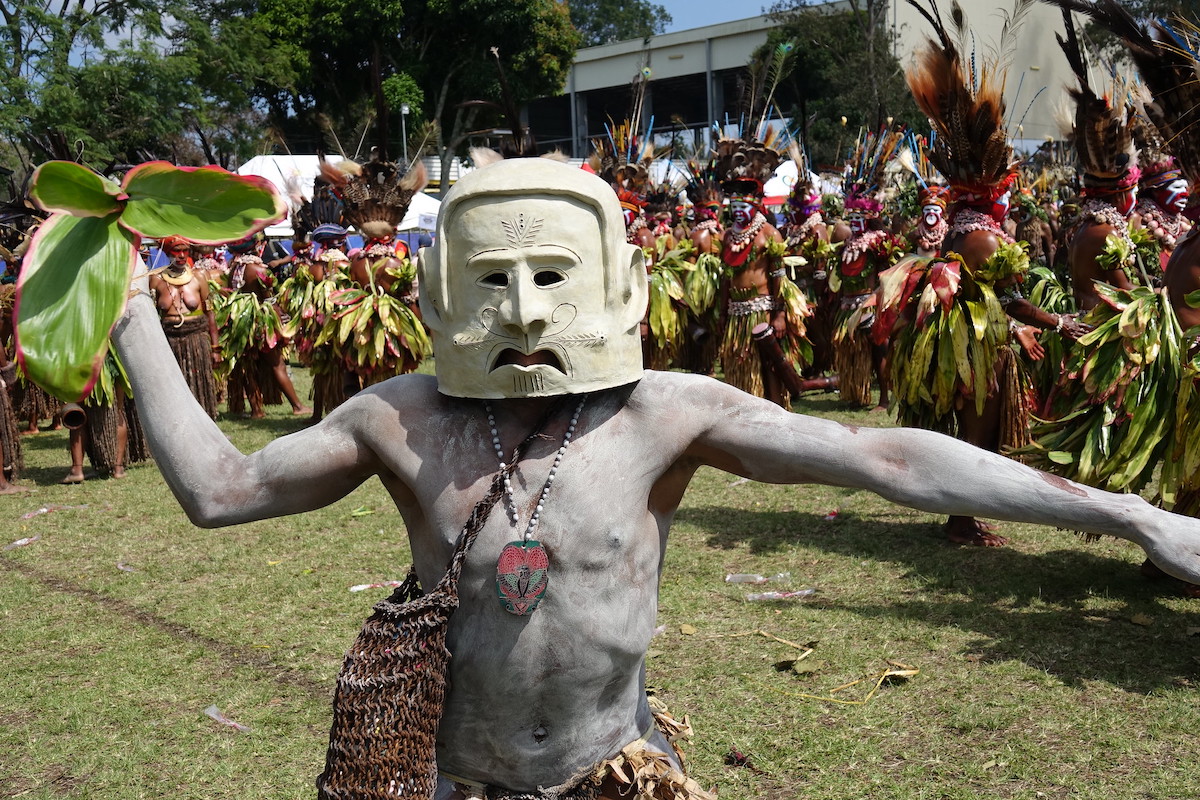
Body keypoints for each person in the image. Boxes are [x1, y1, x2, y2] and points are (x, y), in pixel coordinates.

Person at [109, 159, 1200, 798]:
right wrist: (131, 316)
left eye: (553, 274)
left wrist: (1125, 509)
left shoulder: (661, 415)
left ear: (616, 284)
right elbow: (222, 489)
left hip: (615, 774)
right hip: (455, 778)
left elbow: (887, 455)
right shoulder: (401, 418)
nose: (529, 310)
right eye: (494, 278)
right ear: (438, 295)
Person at [148, 236, 221, 418]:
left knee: (199, 383)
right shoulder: (156, 279)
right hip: (169, 340)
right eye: (176, 251)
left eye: (185, 251)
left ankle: (205, 423)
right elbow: (150, 317)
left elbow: (210, 313)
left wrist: (215, 347)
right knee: (174, 385)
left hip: (196, 338)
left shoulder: (199, 276)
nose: (181, 255)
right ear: (167, 252)